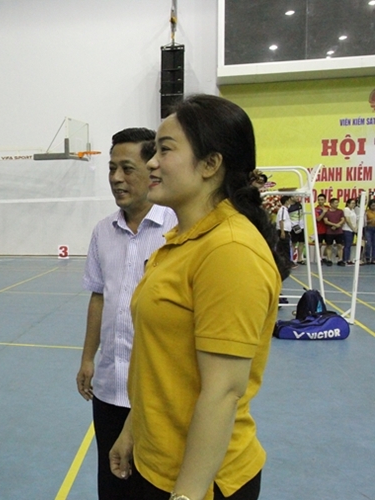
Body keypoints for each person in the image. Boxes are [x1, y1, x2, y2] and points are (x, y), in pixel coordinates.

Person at [110, 94, 287, 500]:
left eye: (165, 150)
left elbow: (222, 392)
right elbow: (163, 361)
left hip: (202, 480)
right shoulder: (181, 242)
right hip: (157, 461)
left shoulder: (229, 251)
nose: (152, 163)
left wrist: (187, 494)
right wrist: (132, 429)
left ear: (211, 164)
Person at [76, 127, 176, 499]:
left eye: (127, 168)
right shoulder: (103, 231)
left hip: (157, 390)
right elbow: (98, 296)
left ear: (153, 170)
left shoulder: (176, 228)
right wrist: (88, 358)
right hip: (109, 387)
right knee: (112, 485)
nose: (117, 178)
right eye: (112, 168)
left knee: (153, 486)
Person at [323, 198, 345, 266]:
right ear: (331, 204)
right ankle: (329, 259)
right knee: (329, 246)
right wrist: (335, 225)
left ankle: (340, 260)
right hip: (329, 232)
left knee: (340, 246)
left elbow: (343, 220)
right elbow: (326, 221)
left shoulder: (340, 211)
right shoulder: (327, 212)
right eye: (336, 203)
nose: (337, 204)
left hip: (339, 232)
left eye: (338, 203)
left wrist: (337, 225)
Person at [275, 195, 295, 267]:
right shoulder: (283, 210)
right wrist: (282, 232)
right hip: (283, 231)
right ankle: (286, 263)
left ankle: (283, 262)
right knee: (285, 248)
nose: (290, 201)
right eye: (289, 200)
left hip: (285, 231)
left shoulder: (285, 210)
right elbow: (281, 221)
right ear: (287, 201)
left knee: (282, 247)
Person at [287, 197, 305, 264]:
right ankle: (290, 260)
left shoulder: (300, 204)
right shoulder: (288, 206)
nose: (297, 197)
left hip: (301, 226)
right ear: (291, 197)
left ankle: (299, 259)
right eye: (295, 196)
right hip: (293, 227)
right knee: (293, 243)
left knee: (301, 242)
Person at [342, 198, 359, 265]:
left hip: (352, 230)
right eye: (352, 203)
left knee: (349, 245)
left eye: (354, 203)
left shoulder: (353, 210)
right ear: (348, 204)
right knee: (347, 245)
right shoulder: (346, 209)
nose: (353, 204)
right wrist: (352, 228)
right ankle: (345, 260)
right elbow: (347, 220)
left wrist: (356, 228)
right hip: (347, 230)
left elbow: (356, 220)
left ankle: (348, 259)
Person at [314, 193, 329, 263]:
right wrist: (324, 212)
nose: (320, 201)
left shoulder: (328, 207)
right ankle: (319, 259)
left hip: (328, 229)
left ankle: (325, 257)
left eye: (322, 200)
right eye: (319, 200)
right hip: (319, 230)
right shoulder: (316, 209)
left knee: (329, 244)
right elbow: (318, 219)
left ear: (325, 200)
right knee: (319, 245)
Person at [364, 199, 375, 264]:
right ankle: (367, 258)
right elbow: (364, 222)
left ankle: (373, 259)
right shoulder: (367, 212)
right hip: (369, 228)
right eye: (372, 205)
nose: (374, 206)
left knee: (374, 244)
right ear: (369, 205)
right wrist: (370, 221)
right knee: (368, 244)